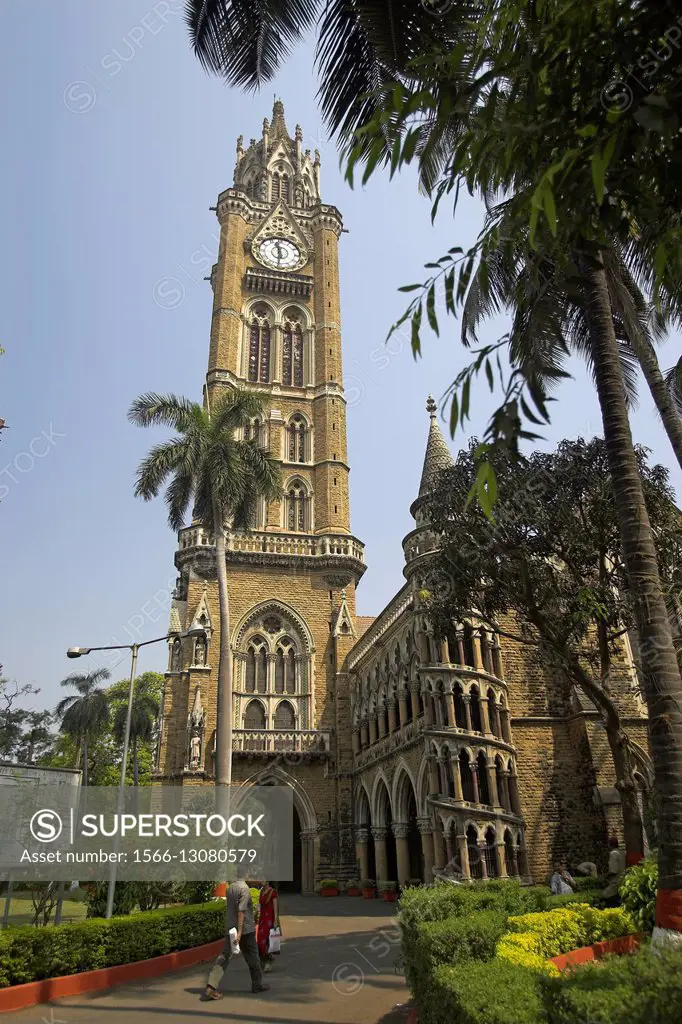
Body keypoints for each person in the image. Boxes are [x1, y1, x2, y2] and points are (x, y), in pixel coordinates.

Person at [204, 866, 269, 1000]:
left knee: (224, 957)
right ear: (245, 874)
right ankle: (257, 984)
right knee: (253, 957)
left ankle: (211, 986)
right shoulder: (244, 889)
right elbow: (241, 911)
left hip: (231, 928)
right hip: (245, 930)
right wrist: (240, 933)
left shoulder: (231, 888)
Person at [256, 881, 281, 972]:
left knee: (265, 941)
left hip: (269, 919)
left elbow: (275, 907)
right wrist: (256, 913)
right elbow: (259, 905)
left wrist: (275, 920)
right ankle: (266, 959)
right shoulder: (262, 891)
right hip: (262, 918)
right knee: (260, 940)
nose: (260, 881)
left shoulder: (272, 892)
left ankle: (267, 962)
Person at [602, 836, 627, 906]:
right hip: (623, 879)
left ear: (610, 845)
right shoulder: (622, 853)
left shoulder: (613, 853)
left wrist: (605, 877)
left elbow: (613, 871)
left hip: (616, 881)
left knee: (604, 895)